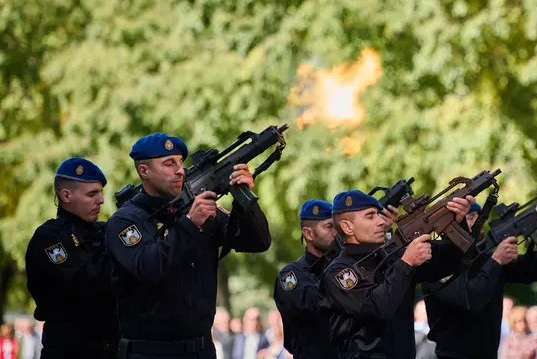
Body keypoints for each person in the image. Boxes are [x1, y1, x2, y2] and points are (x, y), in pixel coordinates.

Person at [106, 133, 271, 359]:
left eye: (180, 162)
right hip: (150, 352)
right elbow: (149, 268)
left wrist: (244, 201)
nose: (179, 170)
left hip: (201, 349)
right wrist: (189, 225)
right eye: (168, 163)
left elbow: (258, 242)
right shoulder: (126, 221)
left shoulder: (199, 209)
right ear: (144, 171)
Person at [319, 189, 473, 358]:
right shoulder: (339, 272)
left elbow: (449, 262)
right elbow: (377, 308)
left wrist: (458, 221)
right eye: (370, 216)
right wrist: (406, 263)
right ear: (348, 227)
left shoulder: (394, 257)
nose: (381, 222)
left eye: (378, 214)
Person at [422, 199, 537, 359]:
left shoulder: (487, 258)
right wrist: (495, 262)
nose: (477, 221)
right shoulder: (432, 263)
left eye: (477, 215)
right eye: (468, 216)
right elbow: (469, 299)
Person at [25, 158, 118, 358]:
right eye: (92, 194)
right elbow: (83, 287)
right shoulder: (49, 238)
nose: (101, 200)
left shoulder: (102, 231)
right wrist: (118, 248)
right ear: (66, 195)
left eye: (101, 192)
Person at [273, 199, 339, 358]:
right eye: (329, 226)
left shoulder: (341, 263)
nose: (335, 232)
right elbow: (312, 304)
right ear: (308, 233)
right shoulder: (291, 275)